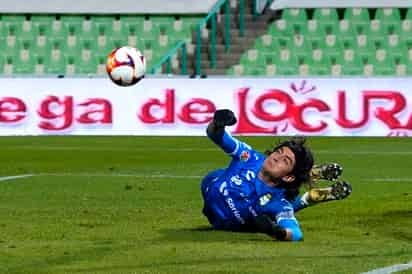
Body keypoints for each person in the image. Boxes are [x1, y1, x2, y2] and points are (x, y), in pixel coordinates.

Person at [201, 109, 352, 241]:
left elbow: (296, 234)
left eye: (285, 161)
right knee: (212, 178)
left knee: (272, 209)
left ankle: (307, 197)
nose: (276, 157)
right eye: (278, 152)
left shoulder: (279, 203)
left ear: (288, 177)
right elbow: (216, 136)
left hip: (224, 222)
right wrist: (218, 123)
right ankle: (308, 175)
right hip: (211, 185)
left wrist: (274, 231)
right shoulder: (248, 156)